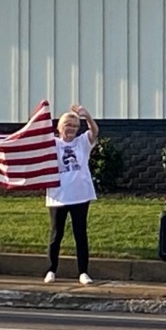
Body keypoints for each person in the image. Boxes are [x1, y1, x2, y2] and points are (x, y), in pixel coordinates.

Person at [44, 105, 99, 286]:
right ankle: (51, 269)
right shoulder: (52, 143)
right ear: (60, 127)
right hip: (58, 196)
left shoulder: (82, 143)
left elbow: (94, 132)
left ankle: (83, 272)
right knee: (56, 234)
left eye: (75, 126)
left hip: (80, 195)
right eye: (68, 125)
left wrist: (87, 117)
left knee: (80, 234)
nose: (71, 130)